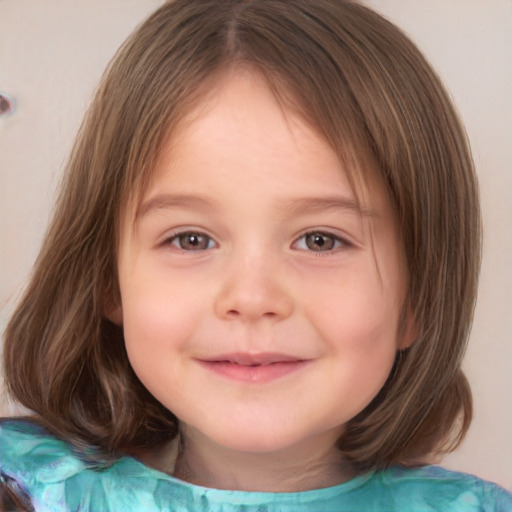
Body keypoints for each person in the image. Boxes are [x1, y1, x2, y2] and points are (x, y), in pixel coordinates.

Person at [1, 0, 511, 510]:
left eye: (320, 240)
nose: (251, 298)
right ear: (108, 278)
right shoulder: (24, 488)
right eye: (191, 239)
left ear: (418, 294)